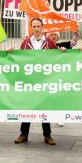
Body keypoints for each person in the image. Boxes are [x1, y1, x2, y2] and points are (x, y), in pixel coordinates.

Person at [15, 17, 60, 146]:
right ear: (31, 28)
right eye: (33, 26)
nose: (36, 29)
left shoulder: (50, 43)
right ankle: (24, 134)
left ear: (42, 27)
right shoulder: (25, 43)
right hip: (29, 81)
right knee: (28, 106)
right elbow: (20, 59)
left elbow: (56, 59)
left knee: (44, 106)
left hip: (44, 80)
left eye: (38, 26)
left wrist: (61, 51)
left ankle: (47, 135)